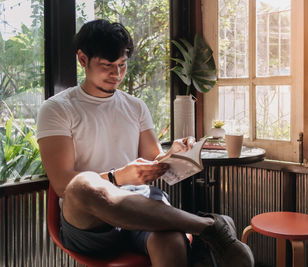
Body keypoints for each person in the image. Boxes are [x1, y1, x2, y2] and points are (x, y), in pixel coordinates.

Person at [37, 19, 254, 267]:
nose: (116, 74)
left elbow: (153, 159)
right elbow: (63, 184)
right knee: (81, 184)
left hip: (140, 205)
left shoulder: (134, 106)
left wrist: (173, 154)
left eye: (122, 65)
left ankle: (206, 229)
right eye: (107, 66)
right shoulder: (57, 108)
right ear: (83, 59)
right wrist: (119, 177)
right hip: (91, 221)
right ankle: (209, 226)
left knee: (171, 240)